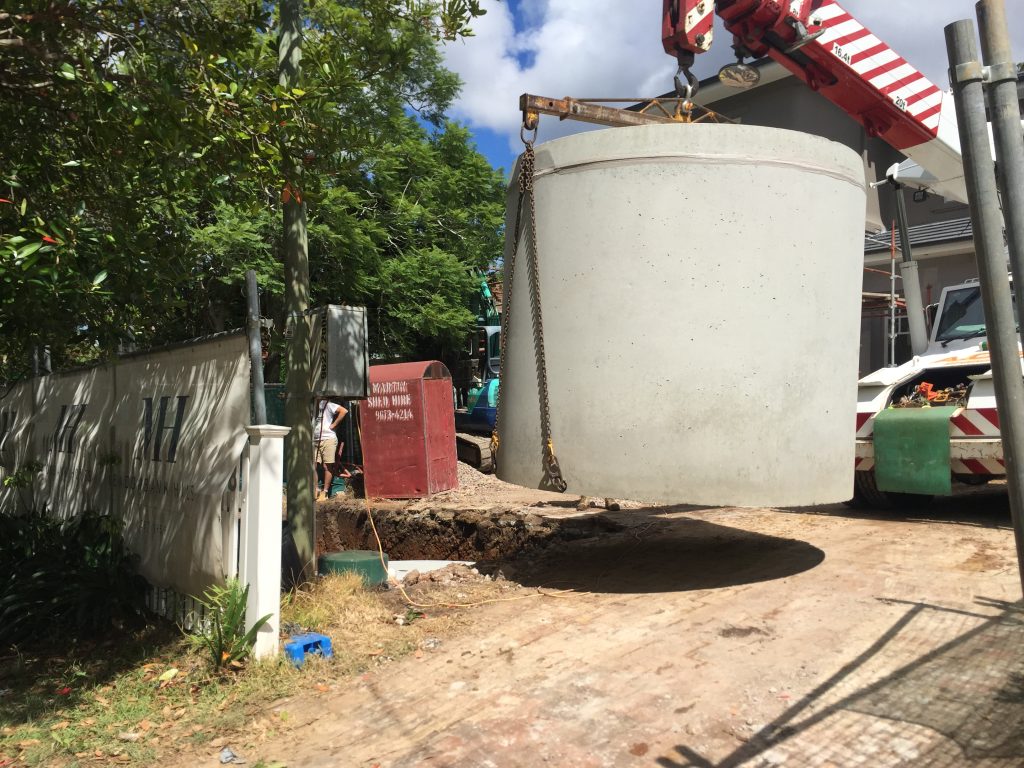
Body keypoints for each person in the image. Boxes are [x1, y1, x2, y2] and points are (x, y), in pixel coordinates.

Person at [313, 397, 347, 501]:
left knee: (327, 466)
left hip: (328, 438)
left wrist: (333, 425)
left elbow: (344, 411)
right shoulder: (310, 405)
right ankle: (316, 490)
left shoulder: (326, 404)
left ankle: (325, 492)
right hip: (315, 439)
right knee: (313, 465)